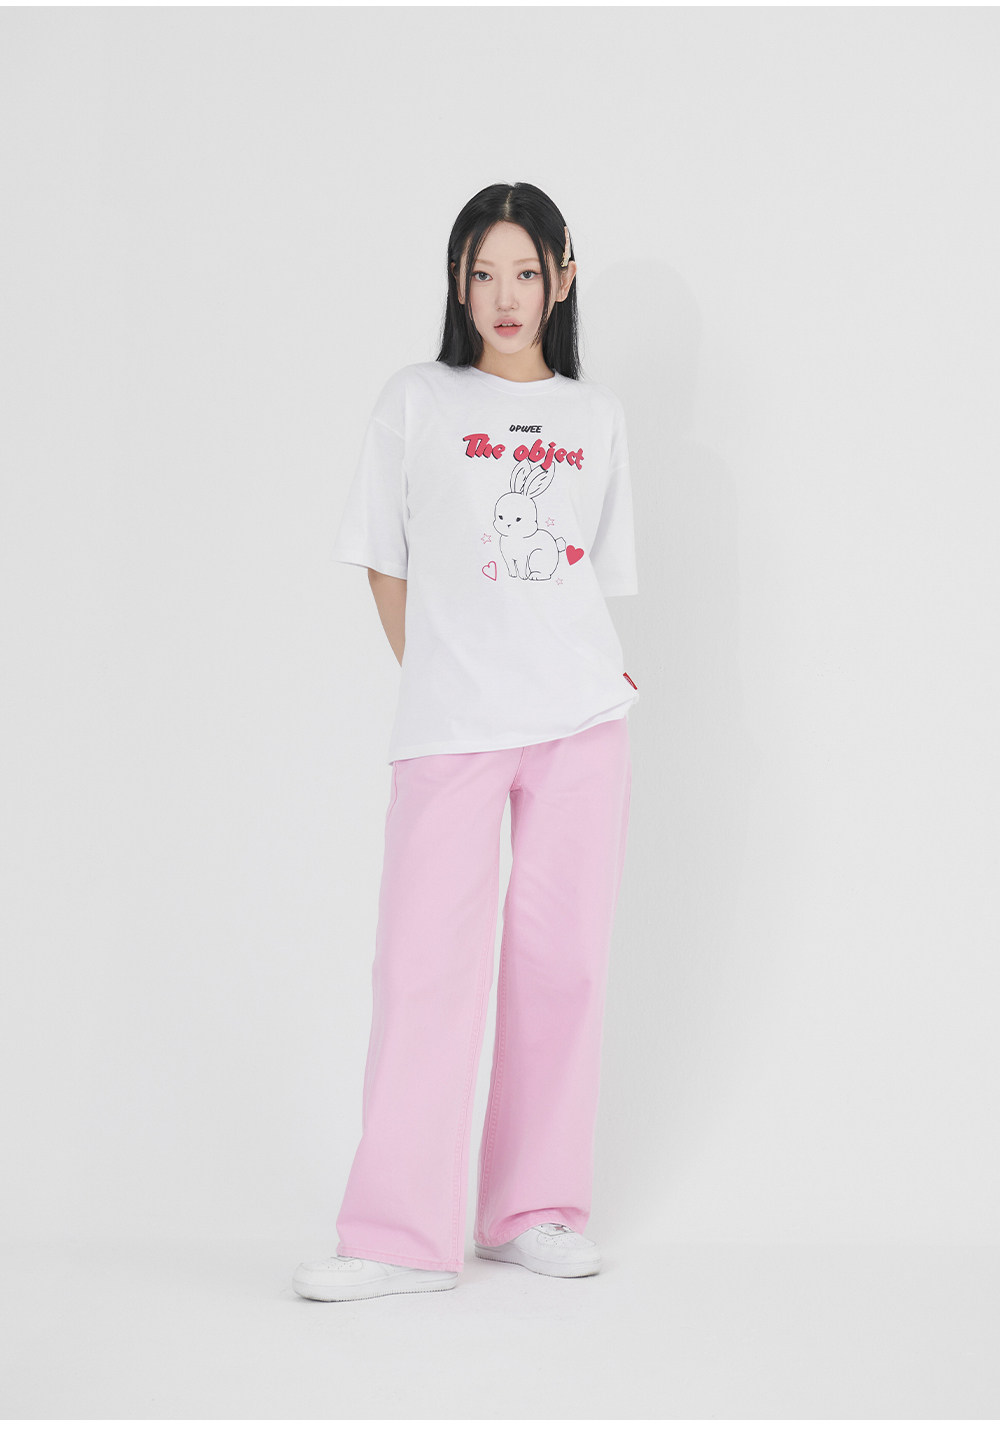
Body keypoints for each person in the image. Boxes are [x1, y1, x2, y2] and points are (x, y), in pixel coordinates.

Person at [293, 181, 640, 1303]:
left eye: (525, 272)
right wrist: (442, 672)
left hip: (582, 723)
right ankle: (397, 1236)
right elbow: (383, 559)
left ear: (563, 278)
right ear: (457, 281)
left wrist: (550, 672)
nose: (504, 296)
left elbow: (583, 579)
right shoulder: (416, 398)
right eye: (483, 273)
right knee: (422, 970)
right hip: (452, 726)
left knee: (561, 966)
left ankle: (534, 1210)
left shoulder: (595, 417)